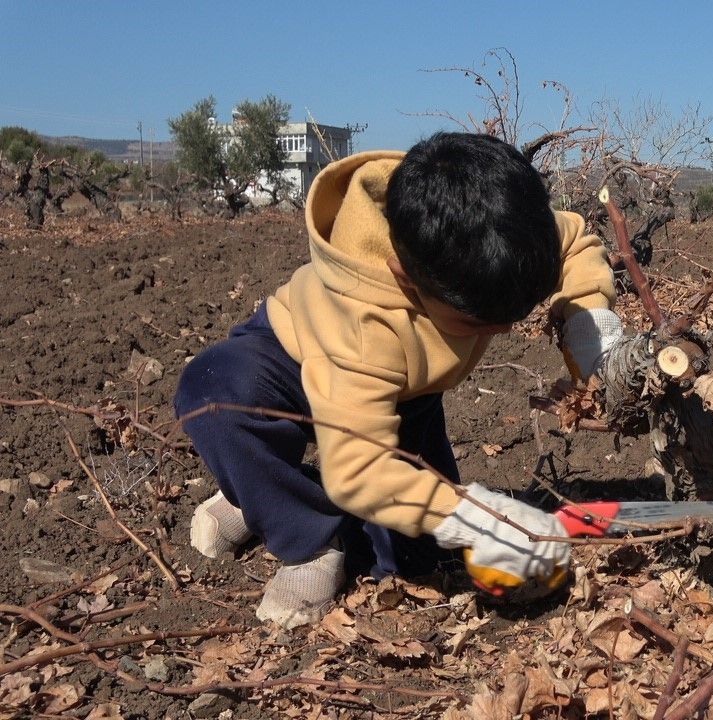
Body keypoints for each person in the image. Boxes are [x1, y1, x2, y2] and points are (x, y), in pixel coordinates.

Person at [173, 132, 622, 629]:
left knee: (412, 560)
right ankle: (303, 536)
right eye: (479, 322)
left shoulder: (492, 230)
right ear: (406, 278)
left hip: (408, 388)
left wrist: (589, 325)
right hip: (293, 364)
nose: (503, 331)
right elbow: (359, 472)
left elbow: (574, 241)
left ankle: (267, 491)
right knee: (218, 393)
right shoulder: (365, 323)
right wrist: (480, 516)